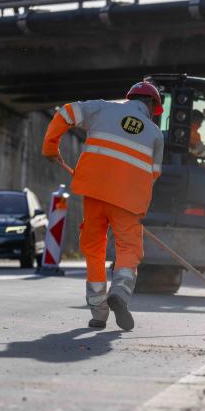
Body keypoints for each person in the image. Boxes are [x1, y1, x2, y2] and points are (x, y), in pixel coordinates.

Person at [42, 81, 164, 331]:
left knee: (94, 248)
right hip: (129, 202)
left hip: (95, 193)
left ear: (130, 98)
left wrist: (50, 147)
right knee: (128, 247)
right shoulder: (155, 134)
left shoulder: (102, 109)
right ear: (152, 105)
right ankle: (119, 292)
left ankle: (98, 312)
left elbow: (65, 112)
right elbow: (154, 175)